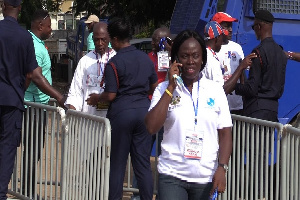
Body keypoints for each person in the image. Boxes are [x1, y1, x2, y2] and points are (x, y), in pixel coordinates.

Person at [145, 29, 233, 200]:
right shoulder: (163, 89)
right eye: (185, 56)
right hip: (172, 175)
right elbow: (151, 127)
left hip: (205, 176)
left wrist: (222, 168)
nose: (190, 61)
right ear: (176, 59)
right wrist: (171, 88)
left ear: (202, 59)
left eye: (196, 56)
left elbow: (225, 133)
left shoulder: (215, 90)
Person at [86, 17, 158, 200]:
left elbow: (110, 95)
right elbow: (153, 86)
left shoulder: (114, 63)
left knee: (117, 165)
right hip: (144, 113)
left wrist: (96, 98)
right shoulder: (145, 58)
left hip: (121, 115)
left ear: (115, 39)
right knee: (142, 165)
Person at [0, 1, 65, 199]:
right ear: (19, 9)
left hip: (15, 100)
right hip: (13, 102)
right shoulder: (24, 37)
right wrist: (60, 96)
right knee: (7, 150)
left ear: (2, 5)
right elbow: (33, 74)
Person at [131, 26, 172, 200]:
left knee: (166, 158)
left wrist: (173, 54)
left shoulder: (176, 59)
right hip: (149, 111)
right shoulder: (146, 59)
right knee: (142, 155)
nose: (155, 43)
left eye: (160, 40)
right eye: (154, 40)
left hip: (169, 113)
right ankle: (137, 195)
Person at [22, 9, 53, 197]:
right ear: (40, 26)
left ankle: (27, 190)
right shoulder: (34, 45)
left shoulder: (35, 42)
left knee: (33, 152)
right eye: (49, 26)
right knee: (32, 152)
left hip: (36, 105)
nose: (51, 30)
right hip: (34, 107)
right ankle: (28, 192)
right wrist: (59, 96)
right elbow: (35, 77)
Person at [65, 22, 116, 117]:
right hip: (89, 120)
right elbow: (76, 90)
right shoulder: (85, 61)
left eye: (103, 39)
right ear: (92, 39)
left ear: (109, 38)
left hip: (111, 118)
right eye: (97, 40)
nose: (100, 43)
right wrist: (72, 114)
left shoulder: (116, 59)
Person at [212, 12, 245, 115]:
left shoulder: (237, 47)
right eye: (226, 26)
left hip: (236, 105)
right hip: (216, 106)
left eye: (231, 26)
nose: (230, 29)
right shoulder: (211, 49)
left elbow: (242, 73)